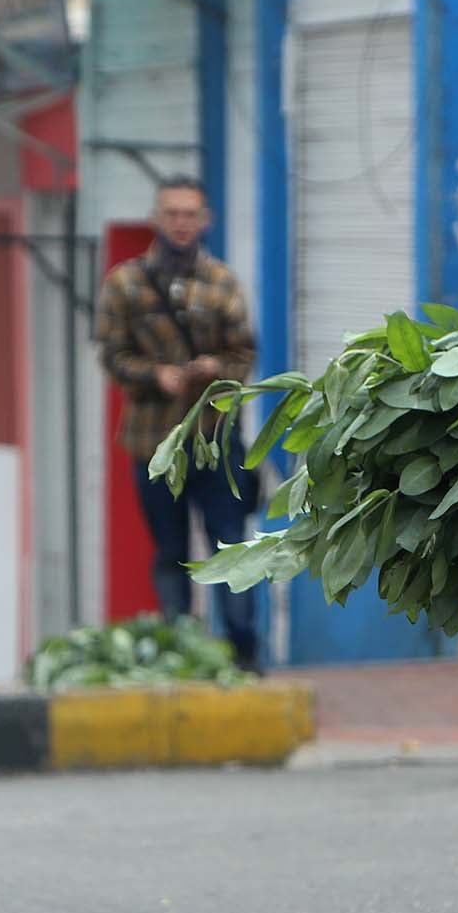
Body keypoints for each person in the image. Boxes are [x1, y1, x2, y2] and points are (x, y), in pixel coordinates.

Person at [95, 176, 260, 670]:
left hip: (214, 439)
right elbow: (110, 354)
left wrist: (214, 369)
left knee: (230, 549)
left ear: (205, 220)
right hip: (152, 441)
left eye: (191, 214)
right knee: (169, 551)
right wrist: (155, 375)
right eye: (172, 213)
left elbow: (245, 355)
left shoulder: (222, 283)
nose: (182, 223)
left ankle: (243, 656)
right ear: (156, 219)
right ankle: (181, 651)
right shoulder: (125, 284)